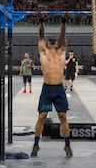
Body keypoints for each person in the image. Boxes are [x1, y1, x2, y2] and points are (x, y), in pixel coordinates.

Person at [31, 12, 72, 158]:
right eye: (51, 42)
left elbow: (62, 36)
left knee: (63, 116)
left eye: (55, 42)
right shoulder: (43, 52)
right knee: (42, 116)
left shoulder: (61, 53)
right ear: (47, 44)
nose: (53, 43)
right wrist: (41, 21)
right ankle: (36, 144)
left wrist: (63, 21)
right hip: (47, 89)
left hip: (59, 89)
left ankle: (67, 145)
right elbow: (41, 36)